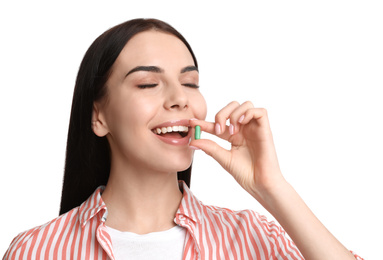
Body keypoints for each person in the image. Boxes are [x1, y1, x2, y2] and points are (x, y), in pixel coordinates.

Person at [3, 18, 363, 260]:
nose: (181, 98)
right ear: (99, 117)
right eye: (148, 83)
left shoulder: (252, 238)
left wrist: (272, 187)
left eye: (190, 83)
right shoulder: (37, 249)